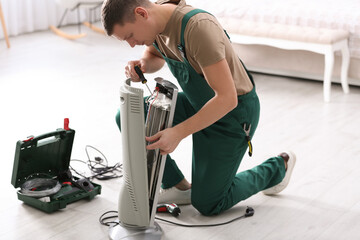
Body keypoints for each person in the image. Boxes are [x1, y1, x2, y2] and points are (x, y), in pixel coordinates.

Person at [102, 0, 296, 216]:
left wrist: (178, 133)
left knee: (208, 204)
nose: (131, 44)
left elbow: (226, 98)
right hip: (198, 103)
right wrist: (144, 64)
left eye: (130, 36)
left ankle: (278, 168)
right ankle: (177, 186)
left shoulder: (198, 29)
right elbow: (155, 54)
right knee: (129, 116)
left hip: (232, 116)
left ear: (141, 13)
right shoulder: (155, 22)